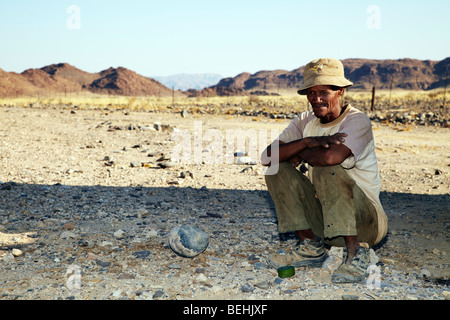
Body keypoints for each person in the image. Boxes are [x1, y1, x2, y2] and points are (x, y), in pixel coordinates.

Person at [260, 58, 388, 283]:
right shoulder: (305, 121)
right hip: (327, 221)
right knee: (275, 169)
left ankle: (356, 252)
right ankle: (310, 246)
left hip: (365, 221)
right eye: (311, 93)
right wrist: (308, 141)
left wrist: (298, 154)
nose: (316, 99)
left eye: (324, 92)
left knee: (325, 169)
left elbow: (331, 157)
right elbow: (267, 157)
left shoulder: (357, 120)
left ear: (340, 91)